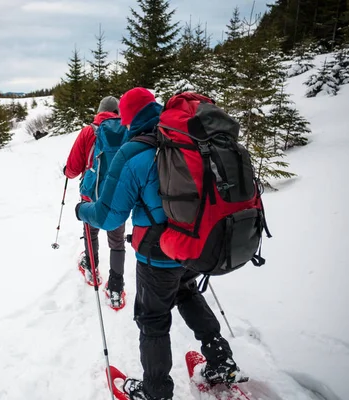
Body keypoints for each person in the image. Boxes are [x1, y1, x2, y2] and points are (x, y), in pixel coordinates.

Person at [75, 88, 240, 400]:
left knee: (152, 319)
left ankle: (156, 392)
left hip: (157, 253)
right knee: (187, 292)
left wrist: (81, 209)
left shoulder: (133, 153)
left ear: (128, 118)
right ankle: (221, 360)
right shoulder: (183, 137)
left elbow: (109, 217)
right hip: (194, 243)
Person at [63, 96, 126, 307]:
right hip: (118, 195)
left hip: (91, 194)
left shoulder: (88, 131)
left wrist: (66, 171)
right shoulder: (126, 130)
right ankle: (116, 287)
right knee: (117, 240)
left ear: (99, 112)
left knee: (90, 232)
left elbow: (72, 168)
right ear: (117, 112)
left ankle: (91, 266)